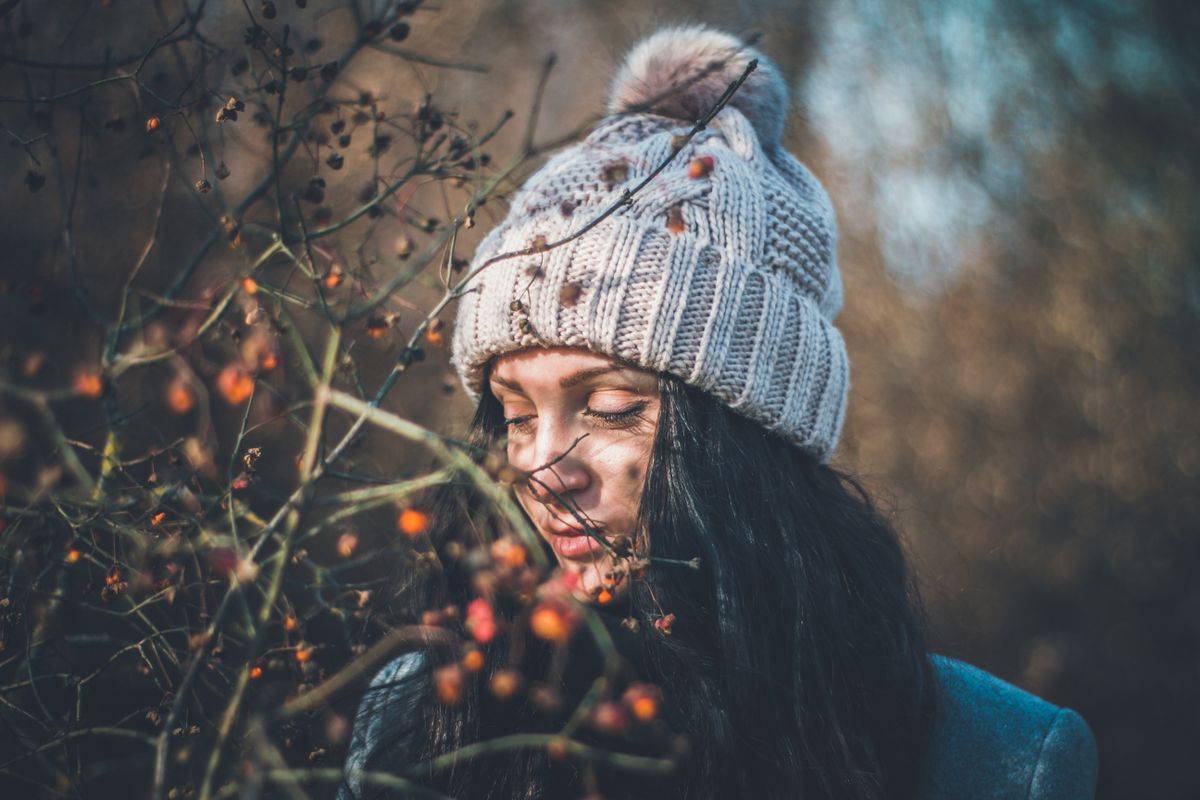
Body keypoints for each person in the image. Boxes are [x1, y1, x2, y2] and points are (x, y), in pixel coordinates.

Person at [337, 26, 1098, 800]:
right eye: (518, 415)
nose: (541, 468)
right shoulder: (422, 715)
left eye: (607, 407)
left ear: (745, 434)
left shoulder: (998, 757)